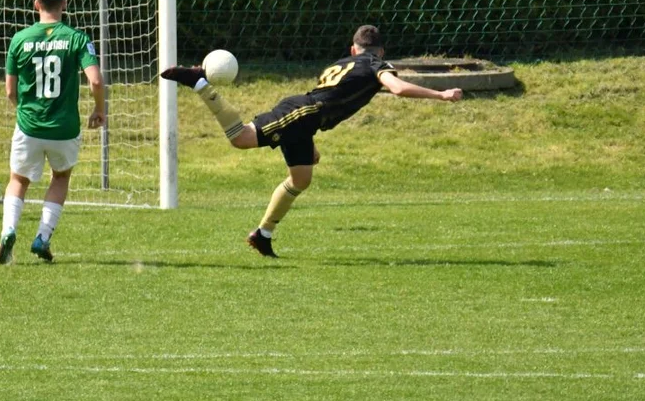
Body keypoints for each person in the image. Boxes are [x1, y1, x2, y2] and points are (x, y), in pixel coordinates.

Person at [162, 24, 463, 257]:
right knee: (241, 138)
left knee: (301, 178)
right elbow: (396, 88)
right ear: (380, 52)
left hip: (307, 117)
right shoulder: (375, 64)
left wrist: (309, 137)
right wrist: (441, 94)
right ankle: (198, 82)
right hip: (303, 112)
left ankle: (262, 235)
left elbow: (328, 96)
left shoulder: (344, 62)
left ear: (353, 49)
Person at [0, 0, 105, 264]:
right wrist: (99, 109)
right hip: (65, 128)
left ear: (36, 4)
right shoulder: (77, 38)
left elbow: (9, 89)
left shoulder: (20, 39)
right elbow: (95, 80)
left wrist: (24, 109)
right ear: (64, 4)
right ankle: (43, 236)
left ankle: (8, 230)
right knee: (60, 177)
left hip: (29, 125)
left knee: (18, 179)